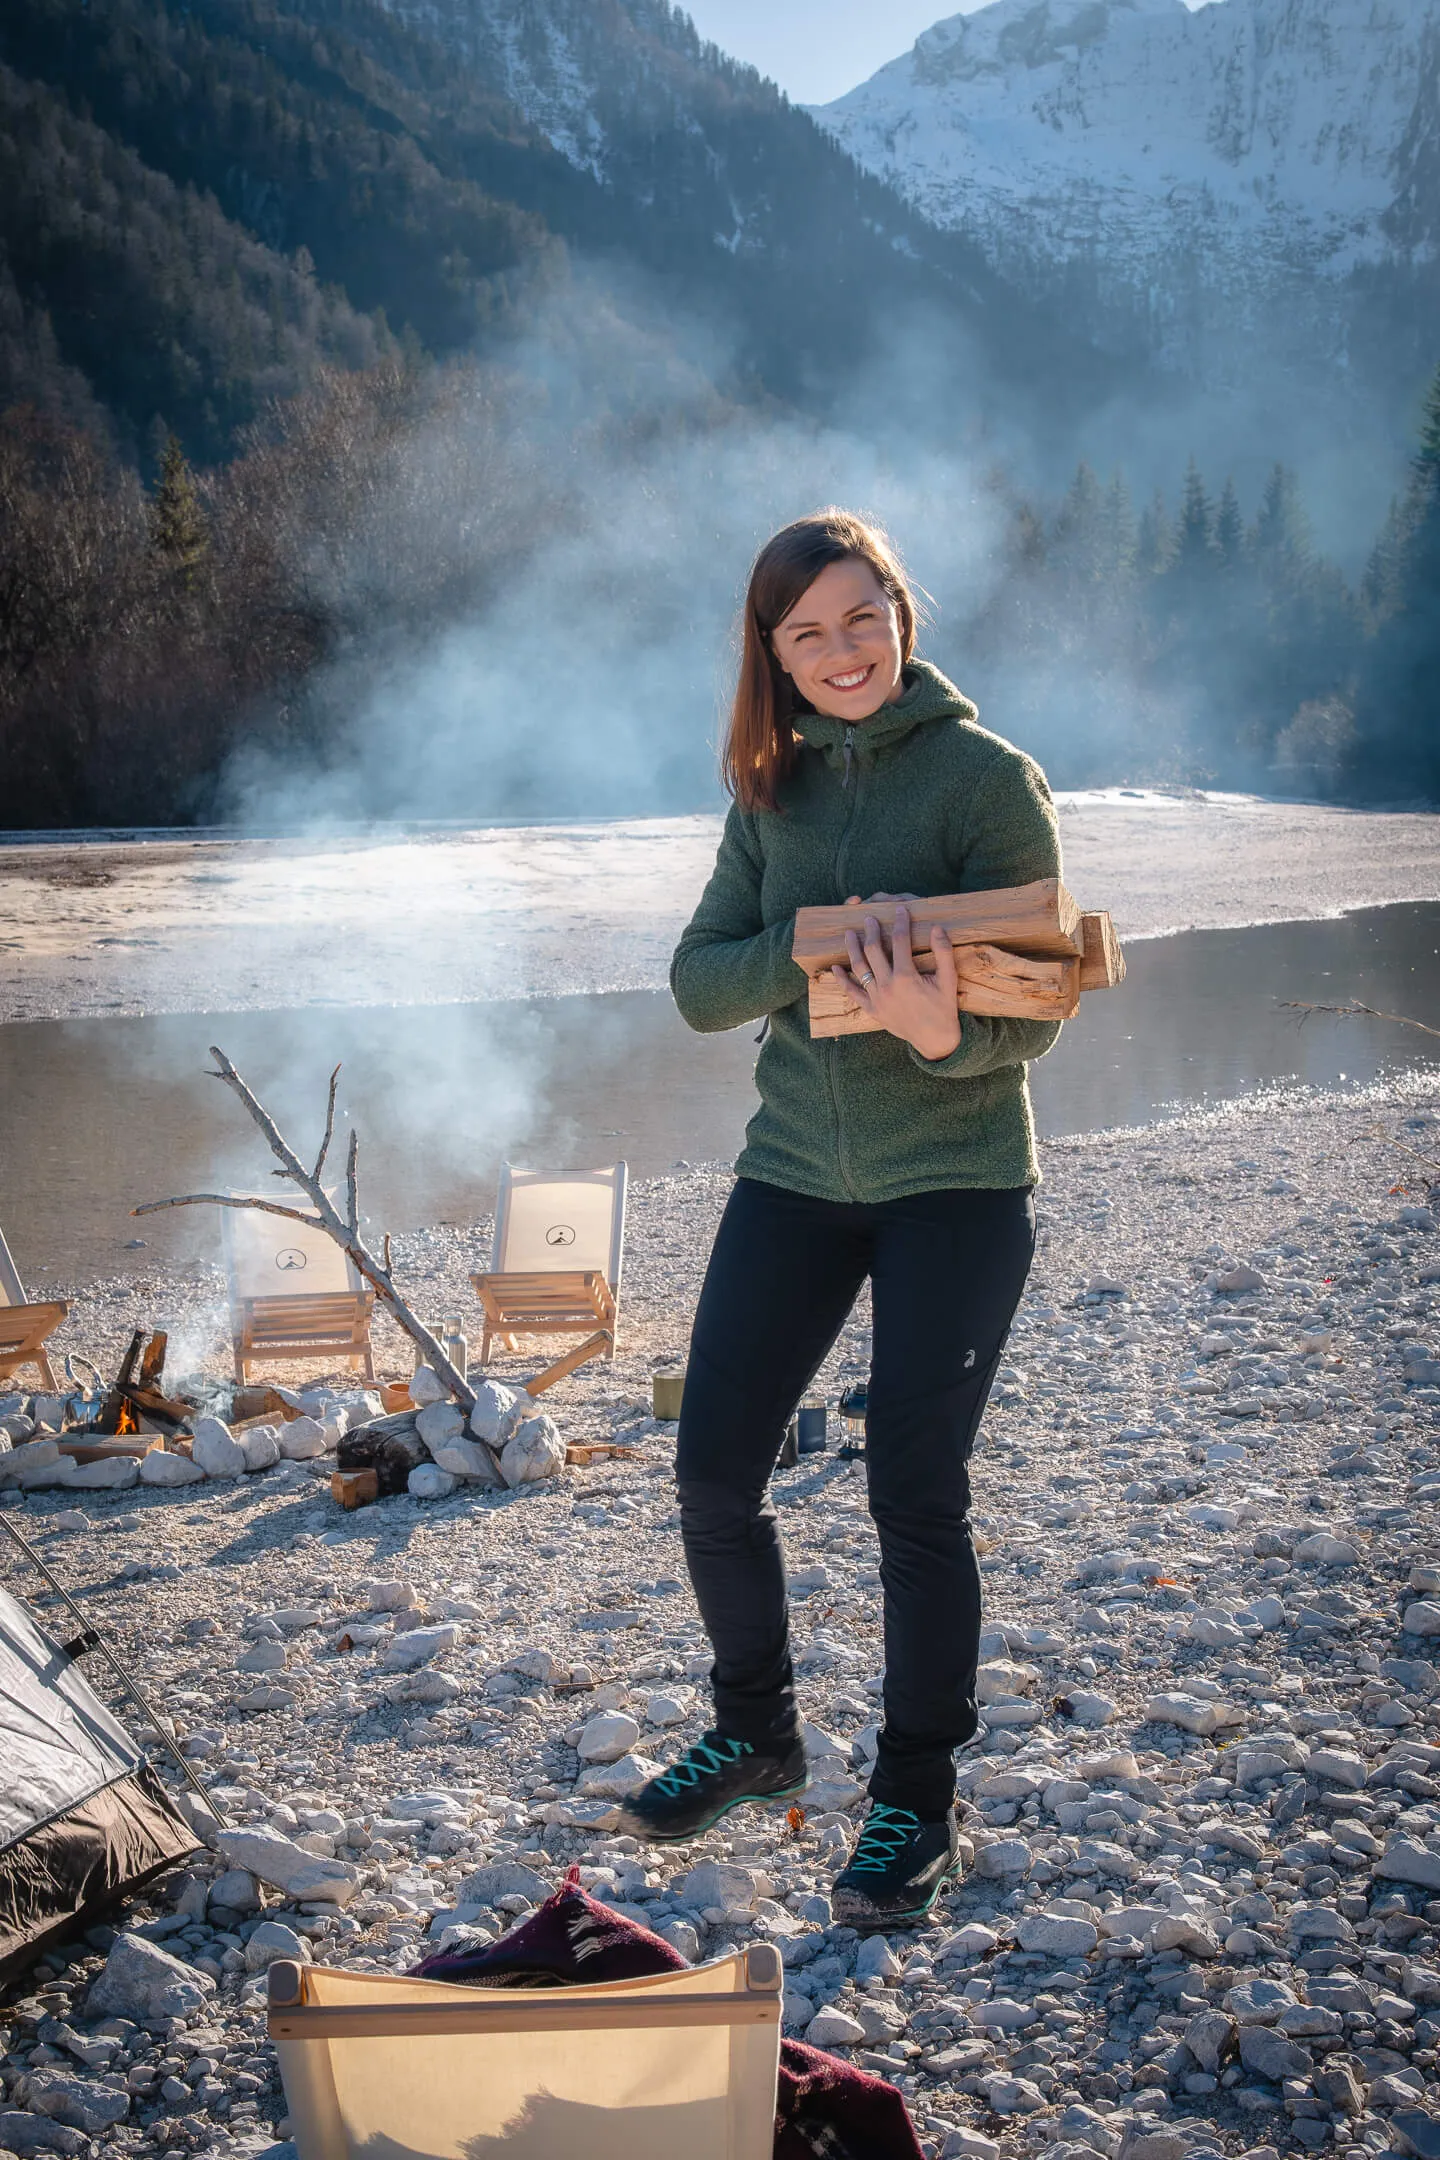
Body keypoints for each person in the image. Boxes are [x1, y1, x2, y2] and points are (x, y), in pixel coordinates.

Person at [615, 508, 1065, 1931]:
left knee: (912, 1499)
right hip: (795, 1171)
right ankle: (758, 1732)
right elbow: (697, 982)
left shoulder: (992, 780)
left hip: (960, 1188)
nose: (840, 651)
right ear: (774, 656)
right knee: (709, 1474)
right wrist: (812, 944)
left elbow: (1040, 1011)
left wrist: (938, 1028)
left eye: (859, 617)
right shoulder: (771, 793)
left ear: (901, 616)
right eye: (805, 633)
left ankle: (913, 1802)